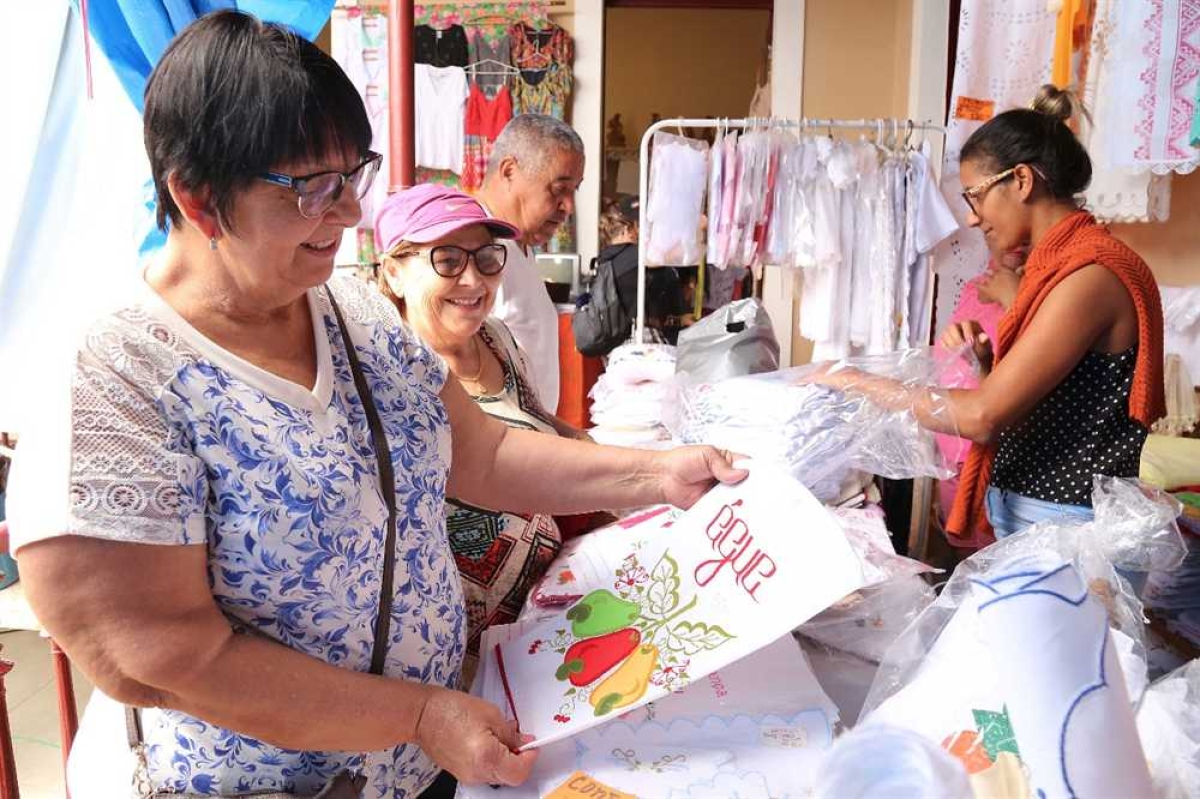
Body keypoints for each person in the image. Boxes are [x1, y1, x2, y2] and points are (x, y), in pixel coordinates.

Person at [3, 12, 745, 798]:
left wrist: (657, 474)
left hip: (422, 767)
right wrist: (420, 714)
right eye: (311, 188)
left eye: (352, 176)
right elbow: (162, 659)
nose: (350, 212)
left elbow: (484, 454)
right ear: (198, 196)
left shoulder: (356, 315)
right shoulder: (117, 383)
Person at [808, 84, 1165, 544]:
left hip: (1069, 530)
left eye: (974, 195)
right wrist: (988, 368)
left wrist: (855, 381)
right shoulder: (1060, 265)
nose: (973, 217)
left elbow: (982, 417)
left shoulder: (1089, 275)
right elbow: (1056, 403)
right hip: (1047, 519)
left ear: (1020, 180)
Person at [374, 184, 588, 689]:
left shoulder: (495, 338)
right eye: (446, 259)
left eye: (488, 258)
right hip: (459, 668)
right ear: (394, 271)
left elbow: (541, 423)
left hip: (542, 627)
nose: (472, 279)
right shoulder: (390, 372)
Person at [475, 114, 586, 412]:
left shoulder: (518, 244)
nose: (568, 207)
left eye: (574, 190)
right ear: (509, 171)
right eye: (559, 188)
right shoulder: (477, 248)